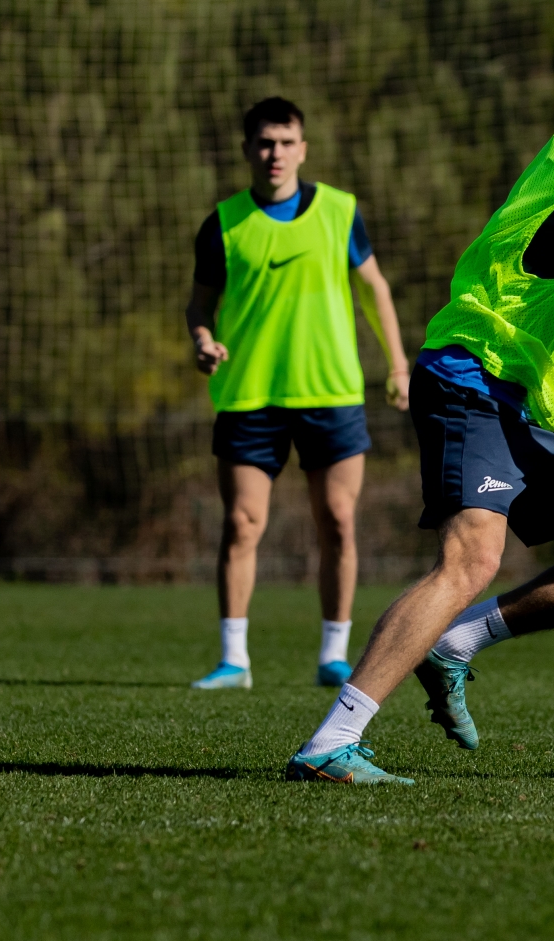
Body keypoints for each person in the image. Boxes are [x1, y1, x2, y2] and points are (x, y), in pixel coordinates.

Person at [284, 7, 554, 784]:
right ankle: (332, 739)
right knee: (471, 557)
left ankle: (458, 643)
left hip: (538, 408)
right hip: (479, 377)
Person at [186, 97, 411, 691]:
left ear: (303, 149)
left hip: (330, 391)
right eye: (264, 142)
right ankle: (234, 660)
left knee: (337, 521)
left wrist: (398, 366)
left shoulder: (340, 212)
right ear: (246, 151)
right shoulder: (224, 223)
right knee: (241, 523)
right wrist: (202, 338)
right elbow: (199, 302)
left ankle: (334, 655)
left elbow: (375, 290)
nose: (275, 153)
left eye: (286, 142)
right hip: (248, 396)